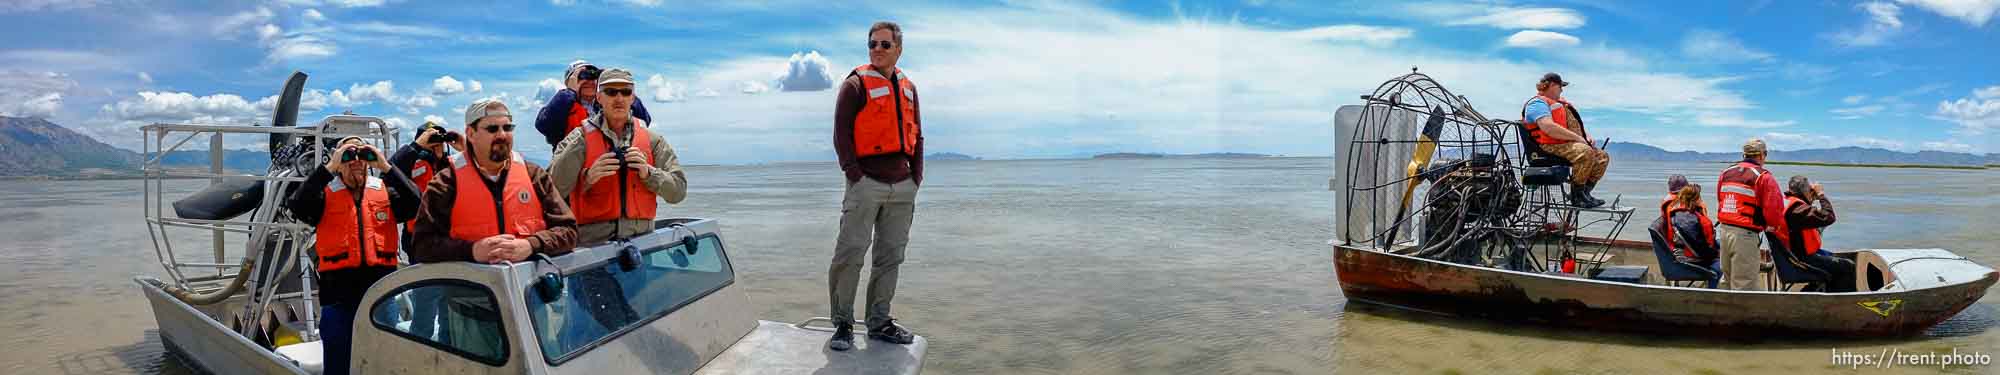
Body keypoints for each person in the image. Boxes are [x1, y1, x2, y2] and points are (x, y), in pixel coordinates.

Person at [285, 137, 420, 375]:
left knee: (385, 362)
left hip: (382, 296)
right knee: (338, 365)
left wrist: (385, 166)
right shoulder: (324, 196)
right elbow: (297, 205)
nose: (355, 160)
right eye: (348, 155)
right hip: (338, 299)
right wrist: (329, 168)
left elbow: (417, 201)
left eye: (363, 155)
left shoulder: (385, 194)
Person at [827, 20, 921, 351]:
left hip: (903, 184)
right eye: (872, 44)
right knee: (850, 254)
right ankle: (842, 323)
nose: (876, 49)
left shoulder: (909, 87)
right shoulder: (855, 85)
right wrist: (854, 174)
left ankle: (879, 321)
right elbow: (841, 135)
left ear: (898, 48)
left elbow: (917, 134)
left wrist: (916, 176)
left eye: (884, 44)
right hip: (865, 182)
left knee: (890, 256)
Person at [408, 99, 578, 265]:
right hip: (469, 290)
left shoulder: (534, 175)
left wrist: (531, 245)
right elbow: (422, 247)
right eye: (492, 129)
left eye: (507, 128)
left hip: (527, 289)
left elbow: (569, 232)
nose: (502, 135)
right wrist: (472, 250)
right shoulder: (446, 183)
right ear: (471, 134)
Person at [550, 68, 688, 244]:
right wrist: (588, 177)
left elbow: (678, 192)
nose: (619, 98)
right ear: (599, 98)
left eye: (625, 92)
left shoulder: (653, 141)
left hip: (642, 246)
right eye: (611, 91)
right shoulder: (579, 139)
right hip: (593, 250)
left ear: (632, 98)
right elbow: (552, 193)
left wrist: (649, 173)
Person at [1520, 72, 1610, 208]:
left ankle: (1584, 194)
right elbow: (1549, 127)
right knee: (1584, 152)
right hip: (1545, 147)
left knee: (1602, 157)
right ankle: (1577, 197)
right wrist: (1578, 139)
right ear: (1551, 85)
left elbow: (1570, 125)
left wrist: (1586, 136)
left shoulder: (1560, 104)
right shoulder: (1537, 103)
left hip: (1564, 144)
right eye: (1560, 86)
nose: (1562, 90)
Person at [1714, 138, 1786, 291]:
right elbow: (1774, 209)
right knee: (1744, 284)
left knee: (1726, 280)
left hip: (1725, 231)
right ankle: (1741, 315)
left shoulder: (1726, 173)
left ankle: (1722, 313)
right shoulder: (1763, 177)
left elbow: (1720, 199)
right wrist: (1772, 226)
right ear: (1762, 155)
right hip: (1745, 236)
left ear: (1744, 154)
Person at [536, 60, 652, 150]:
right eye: (582, 76)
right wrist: (570, 92)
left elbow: (643, 120)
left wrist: (618, 85)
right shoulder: (562, 105)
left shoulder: (607, 104)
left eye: (594, 77)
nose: (590, 81)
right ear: (569, 81)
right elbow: (544, 125)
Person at [1782, 175, 1855, 292]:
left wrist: (1809, 199)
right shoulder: (1798, 210)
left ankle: (1813, 293)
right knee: (1848, 266)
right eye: (1810, 190)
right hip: (1802, 260)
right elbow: (1829, 216)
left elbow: (1811, 218)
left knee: (1836, 261)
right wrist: (1821, 194)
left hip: (1793, 256)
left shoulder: (1791, 204)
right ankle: (1841, 303)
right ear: (1804, 191)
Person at [1655, 175, 1721, 288]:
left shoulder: (1673, 209)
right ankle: (1712, 293)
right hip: (1687, 254)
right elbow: (1700, 246)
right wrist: (1717, 254)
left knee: (1722, 246)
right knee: (1722, 263)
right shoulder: (1687, 218)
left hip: (1676, 247)